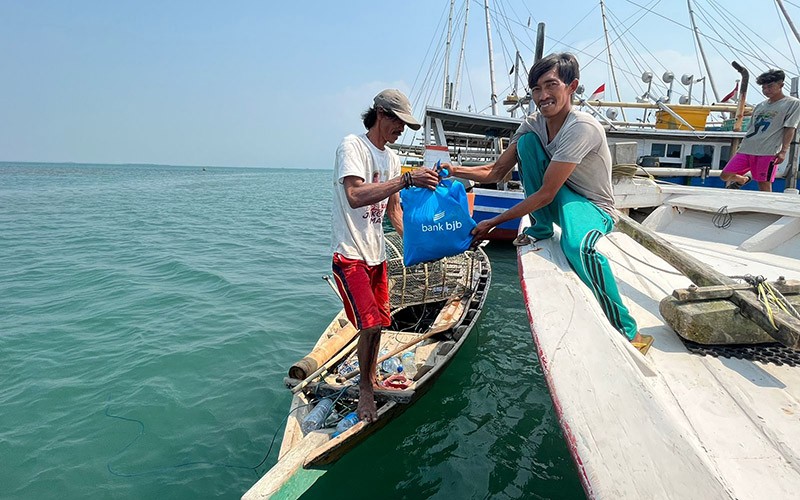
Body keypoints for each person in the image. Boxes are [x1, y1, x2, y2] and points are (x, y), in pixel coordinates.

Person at [447, 52, 652, 353]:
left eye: (551, 85)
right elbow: (497, 171)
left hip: (592, 206)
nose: (542, 96)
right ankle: (541, 226)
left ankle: (628, 331)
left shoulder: (581, 127)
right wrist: (452, 170)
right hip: (556, 198)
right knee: (527, 144)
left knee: (577, 248)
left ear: (572, 86)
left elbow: (546, 193)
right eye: (536, 89)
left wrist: (493, 222)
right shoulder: (532, 124)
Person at [330, 89, 440, 422]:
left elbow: (394, 212)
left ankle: (370, 375)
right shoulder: (352, 146)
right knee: (370, 323)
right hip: (350, 255)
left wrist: (421, 244)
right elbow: (354, 195)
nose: (401, 130)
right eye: (398, 122)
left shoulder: (391, 159)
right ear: (381, 114)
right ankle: (365, 388)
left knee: (379, 324)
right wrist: (406, 180)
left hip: (376, 257)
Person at [720, 69, 800, 192]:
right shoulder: (760, 105)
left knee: (764, 184)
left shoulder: (793, 104)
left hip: (768, 150)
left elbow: (790, 127)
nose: (766, 90)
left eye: (770, 86)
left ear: (781, 85)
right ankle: (742, 180)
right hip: (747, 148)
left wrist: (783, 151)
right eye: (763, 88)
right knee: (725, 175)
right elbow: (751, 127)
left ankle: (768, 205)